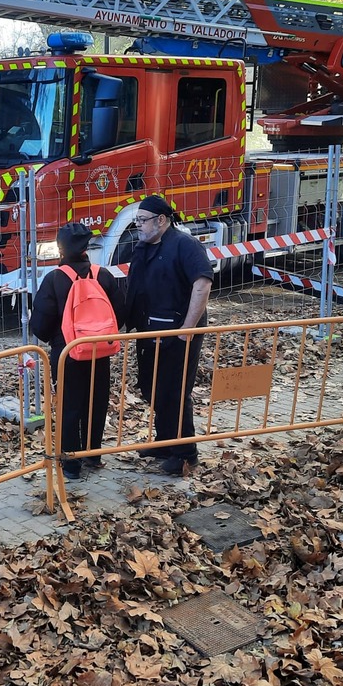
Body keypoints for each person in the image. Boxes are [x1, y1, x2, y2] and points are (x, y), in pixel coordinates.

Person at [123, 195, 213, 476]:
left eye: (142, 220)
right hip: (149, 332)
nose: (138, 225)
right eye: (137, 220)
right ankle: (164, 441)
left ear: (161, 220)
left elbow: (202, 284)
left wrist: (187, 330)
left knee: (175, 392)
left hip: (177, 334)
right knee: (152, 388)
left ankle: (185, 453)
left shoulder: (185, 245)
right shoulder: (142, 247)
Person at [30, 223, 126, 480]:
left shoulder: (53, 279)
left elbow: (39, 325)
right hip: (100, 352)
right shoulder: (103, 275)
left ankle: (71, 464)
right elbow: (121, 313)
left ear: (60, 248)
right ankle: (93, 455)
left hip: (67, 355)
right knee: (96, 401)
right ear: (86, 247)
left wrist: (58, 339)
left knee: (69, 406)